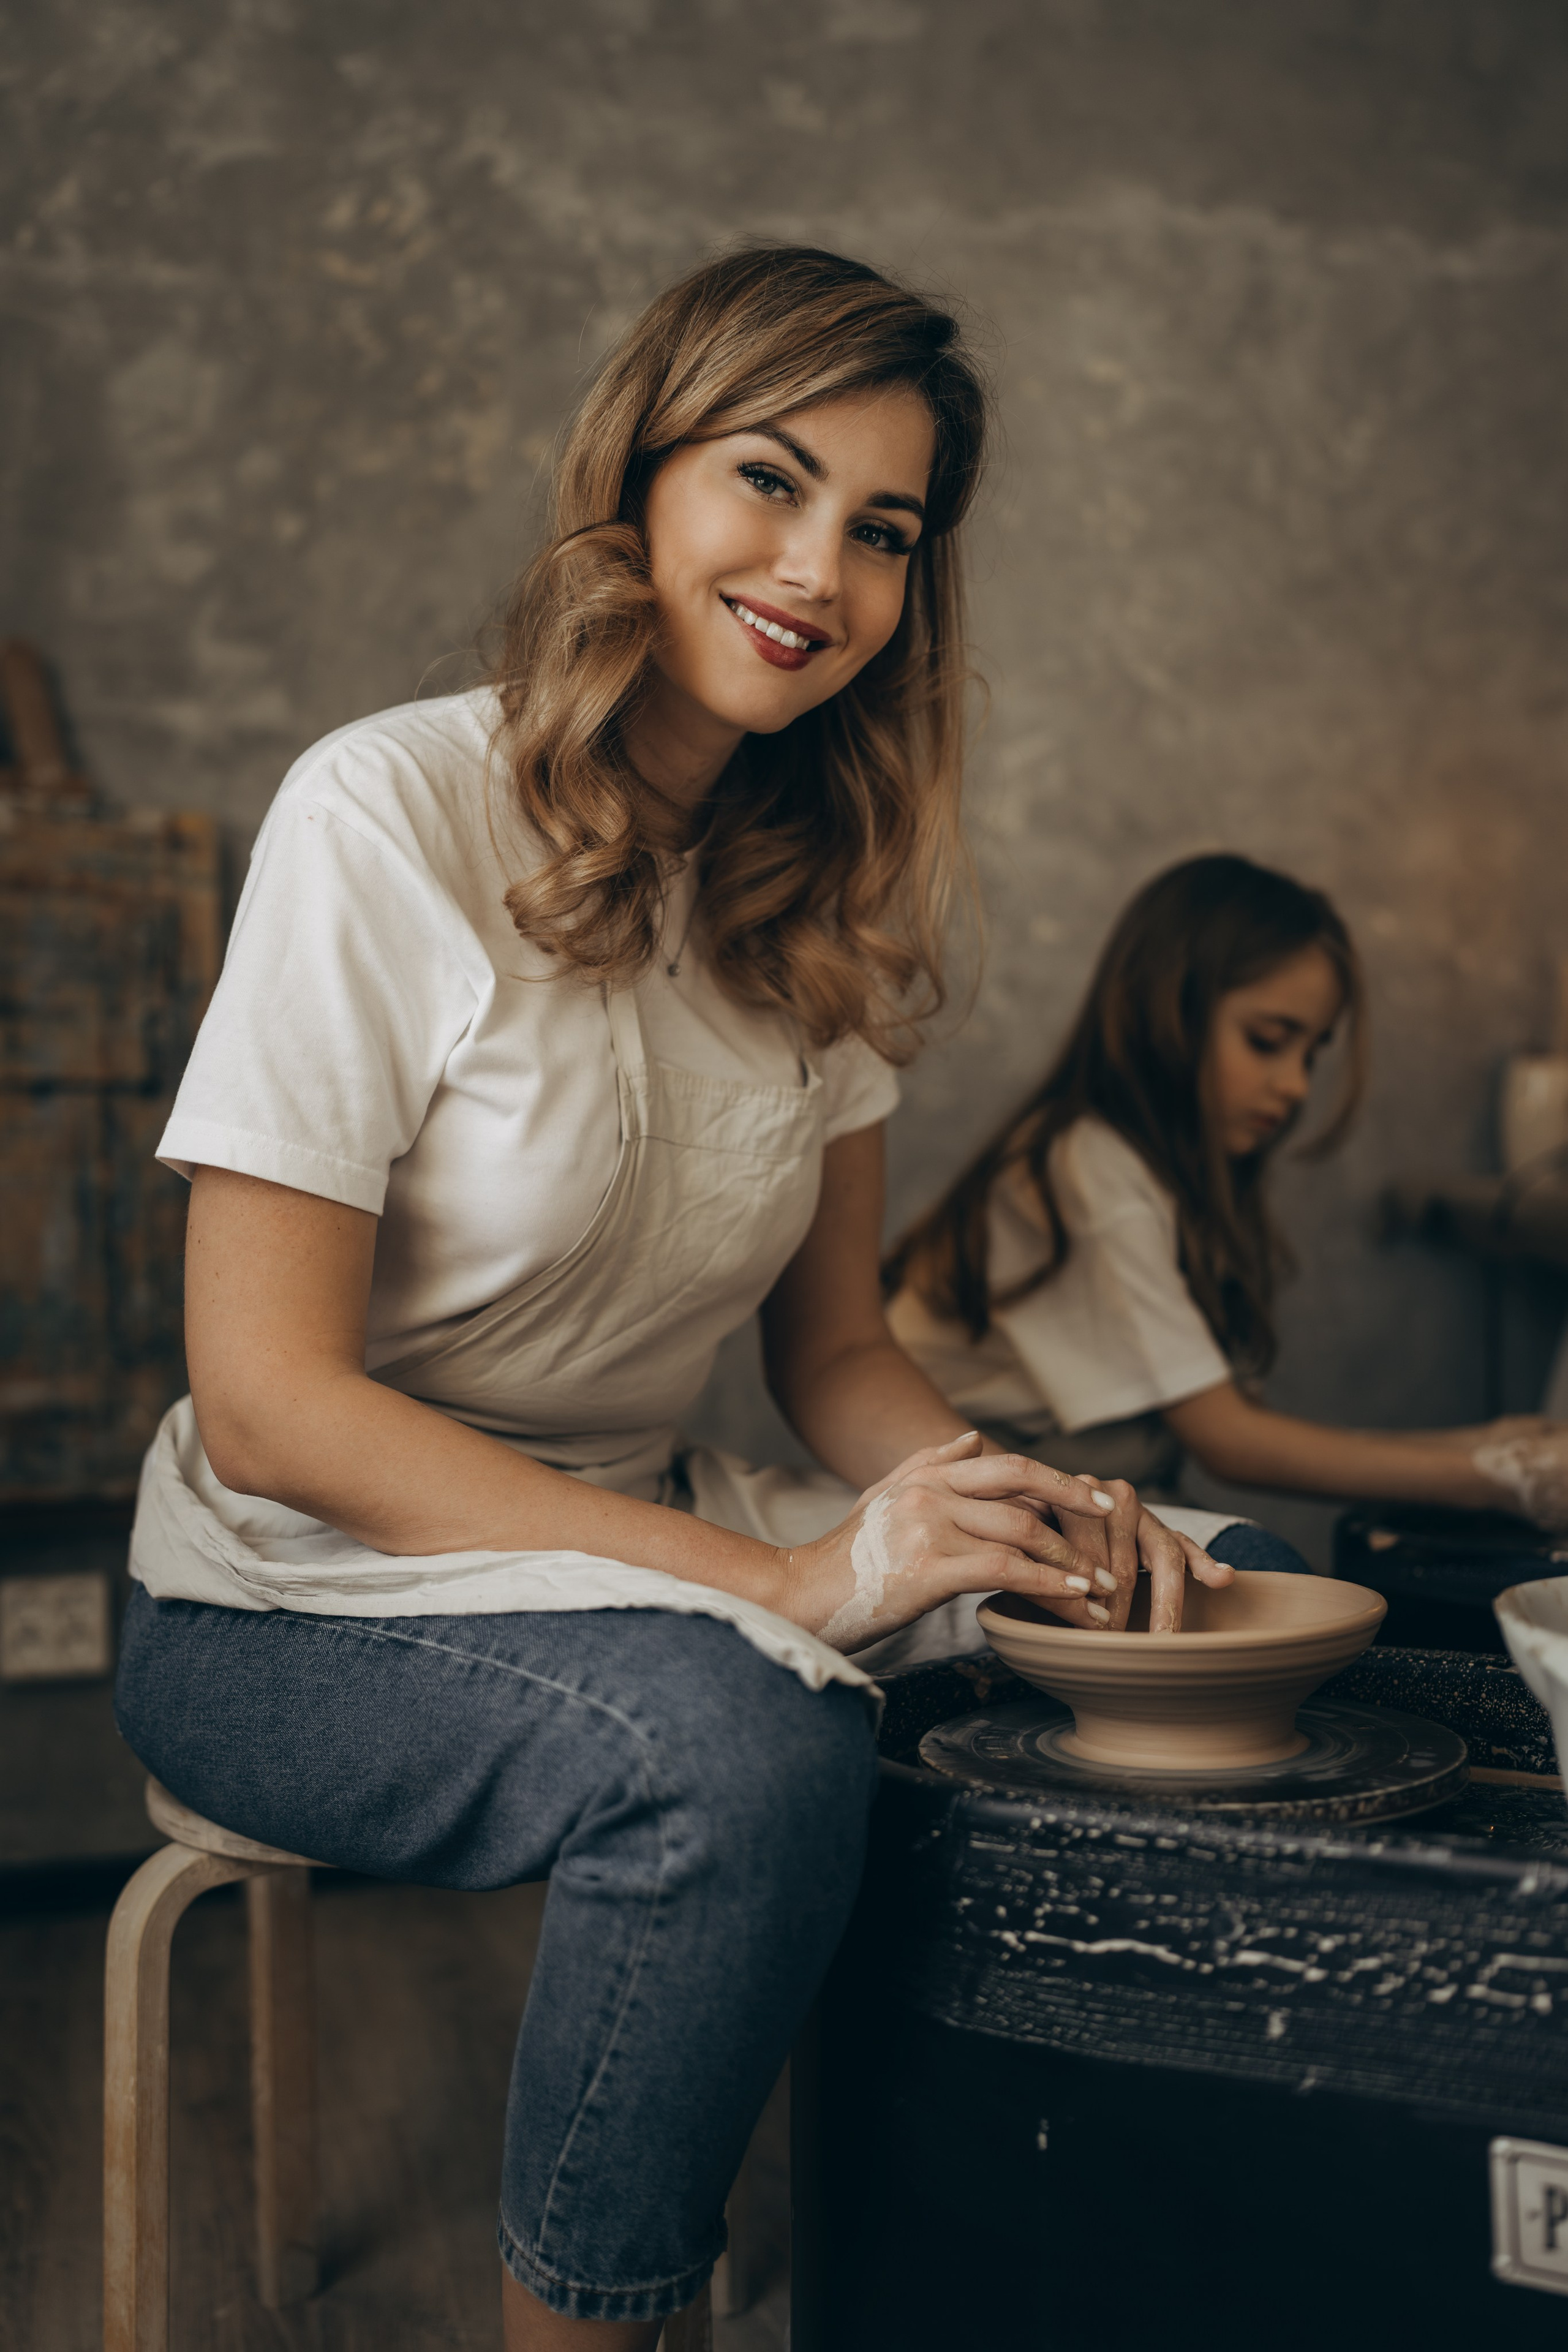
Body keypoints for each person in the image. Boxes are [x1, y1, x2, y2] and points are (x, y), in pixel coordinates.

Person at [113, 247, 1229, 2352]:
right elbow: (266, 1403)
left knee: (1185, 1599)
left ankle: (1020, 2273)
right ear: (638, 479)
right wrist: (780, 1587)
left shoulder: (816, 904)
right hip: (281, 1599)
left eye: (885, 533)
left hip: (642, 1552)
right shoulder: (388, 814)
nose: (821, 567)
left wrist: (1036, 1510)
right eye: (773, 481)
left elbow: (835, 1360)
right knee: (741, 1745)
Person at [884, 851, 1568, 1553]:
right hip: (954, 1505)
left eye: (1310, 1053)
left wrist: (1495, 1442)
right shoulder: (1083, 1168)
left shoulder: (1158, 1172)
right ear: (1165, 1012)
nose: (1297, 1085)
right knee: (1266, 1569)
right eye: (1268, 1041)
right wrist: (1501, 1477)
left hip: (1090, 1495)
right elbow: (1230, 1441)